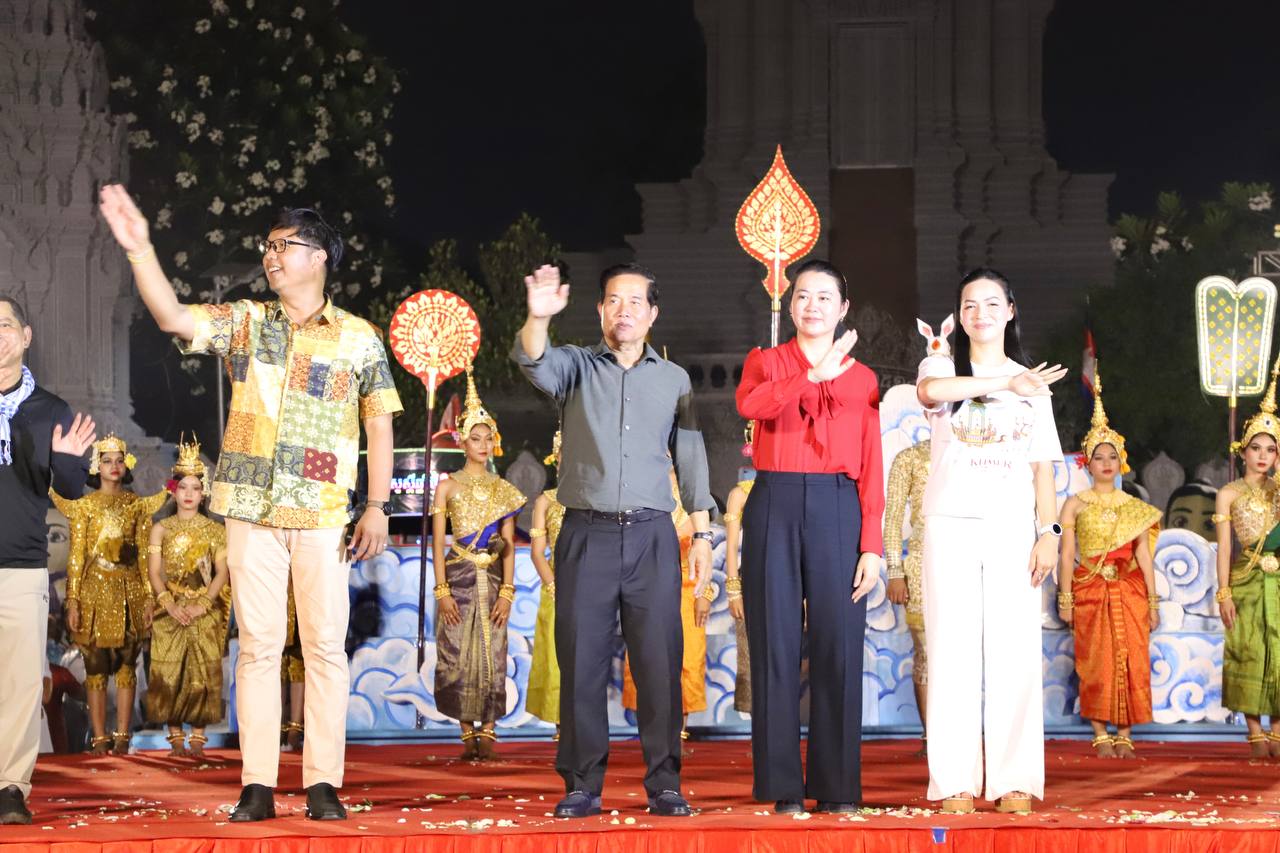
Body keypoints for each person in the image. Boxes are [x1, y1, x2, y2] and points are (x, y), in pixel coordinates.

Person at [98, 184, 402, 822]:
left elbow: (379, 424)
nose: (271, 256)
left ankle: (323, 783)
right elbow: (174, 318)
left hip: (323, 510)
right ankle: (257, 783)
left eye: (284, 246)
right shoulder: (248, 322)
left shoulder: (358, 338)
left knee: (324, 647)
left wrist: (377, 505)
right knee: (260, 647)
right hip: (250, 507)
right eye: (268, 245)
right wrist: (139, 248)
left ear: (318, 256)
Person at [512, 262, 715, 819]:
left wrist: (702, 533)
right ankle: (581, 785)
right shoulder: (575, 367)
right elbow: (532, 357)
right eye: (613, 301)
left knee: (659, 664)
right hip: (586, 535)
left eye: (635, 302)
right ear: (600, 309)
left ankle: (665, 783)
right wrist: (538, 317)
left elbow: (691, 457)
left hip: (653, 536)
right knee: (581, 663)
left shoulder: (674, 381)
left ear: (652, 314)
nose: (624, 311)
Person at [914, 268, 1066, 814]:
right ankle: (954, 780)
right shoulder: (942, 365)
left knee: (1014, 651)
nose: (980, 314)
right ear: (960, 315)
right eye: (970, 305)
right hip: (950, 523)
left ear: (1010, 311)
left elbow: (1042, 469)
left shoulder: (1033, 384)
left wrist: (1049, 534)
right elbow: (931, 393)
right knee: (951, 650)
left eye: (992, 303)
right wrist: (1004, 384)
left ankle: (1014, 780)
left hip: (1011, 528)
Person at [734, 259, 883, 814]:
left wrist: (872, 545)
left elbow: (872, 461)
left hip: (838, 506)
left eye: (824, 296)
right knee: (774, 643)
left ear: (843, 308)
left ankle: (838, 786)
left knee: (837, 644)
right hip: (773, 500)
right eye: (802, 295)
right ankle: (783, 787)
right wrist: (808, 378)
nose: (812, 305)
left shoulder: (864, 379)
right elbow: (750, 405)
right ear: (790, 303)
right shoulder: (766, 361)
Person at [0, 295, 94, 825]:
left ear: (26, 336)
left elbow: (72, 491)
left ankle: (10, 788)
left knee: (19, 686)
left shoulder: (51, 410)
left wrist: (70, 461)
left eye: (5, 325)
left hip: (21, 565)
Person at [1056, 369, 1161, 758]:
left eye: (1112, 456)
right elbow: (1066, 553)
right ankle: (1100, 732)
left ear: (1121, 461)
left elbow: (1143, 556)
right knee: (1095, 660)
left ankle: (1125, 732)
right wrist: (1065, 598)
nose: (1105, 462)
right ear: (1087, 463)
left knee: (1131, 658)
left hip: (1130, 590)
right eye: (1098, 456)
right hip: (1089, 588)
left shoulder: (1135, 507)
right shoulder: (1074, 505)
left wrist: (1152, 602)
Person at [53, 435, 167, 756]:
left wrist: (149, 598)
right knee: (96, 668)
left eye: (119, 460)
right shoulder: (85, 507)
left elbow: (144, 557)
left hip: (130, 593)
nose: (113, 466)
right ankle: (100, 738)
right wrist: (72, 601)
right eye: (107, 461)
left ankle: (123, 737)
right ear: (97, 467)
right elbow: (76, 557)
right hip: (93, 595)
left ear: (126, 465)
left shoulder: (136, 505)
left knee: (128, 666)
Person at [430, 371, 524, 760]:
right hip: (458, 576)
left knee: (493, 653)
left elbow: (509, 547)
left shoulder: (505, 491)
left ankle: (489, 729)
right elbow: (438, 543)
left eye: (488, 438)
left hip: (493, 580)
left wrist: (507, 593)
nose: (483, 445)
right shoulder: (447, 486)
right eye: (475, 438)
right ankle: (466, 729)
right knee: (456, 654)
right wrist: (442, 592)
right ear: (462, 442)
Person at [145, 437, 229, 758]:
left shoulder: (216, 530)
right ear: (173, 491)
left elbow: (221, 573)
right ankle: (175, 737)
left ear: (203, 492)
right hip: (170, 609)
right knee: (169, 674)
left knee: (201, 673)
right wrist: (168, 604)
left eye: (196, 487)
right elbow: (154, 572)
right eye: (183, 487)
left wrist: (202, 605)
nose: (189, 494)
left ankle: (198, 738)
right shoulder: (160, 529)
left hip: (204, 610)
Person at [1214, 357, 1280, 758]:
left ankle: (1278, 732)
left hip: (1279, 579)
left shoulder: (1278, 491)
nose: (1262, 455)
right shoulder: (1229, 493)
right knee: (1249, 650)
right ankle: (1255, 731)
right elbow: (1225, 548)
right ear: (1243, 450)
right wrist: (1223, 592)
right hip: (1245, 578)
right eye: (1256, 447)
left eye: (1271, 449)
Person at [621, 471, 716, 748]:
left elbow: (704, 550)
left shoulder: (692, 494)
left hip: (687, 588)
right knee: (646, 656)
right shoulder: (640, 487)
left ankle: (679, 734)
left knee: (688, 658)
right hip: (647, 585)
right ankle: (653, 734)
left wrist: (704, 592)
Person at [883, 438, 931, 756]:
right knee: (927, 654)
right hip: (920, 566)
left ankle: (961, 736)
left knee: (964, 655)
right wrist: (894, 571)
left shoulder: (971, 452)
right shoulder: (910, 457)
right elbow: (893, 518)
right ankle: (932, 737)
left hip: (968, 566)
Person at [526, 431, 566, 728]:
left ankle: (582, 726)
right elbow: (537, 552)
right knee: (554, 656)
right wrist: (553, 586)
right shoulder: (545, 501)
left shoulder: (592, 498)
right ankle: (560, 725)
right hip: (556, 587)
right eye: (565, 452)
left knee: (588, 658)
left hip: (590, 588)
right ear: (556, 458)